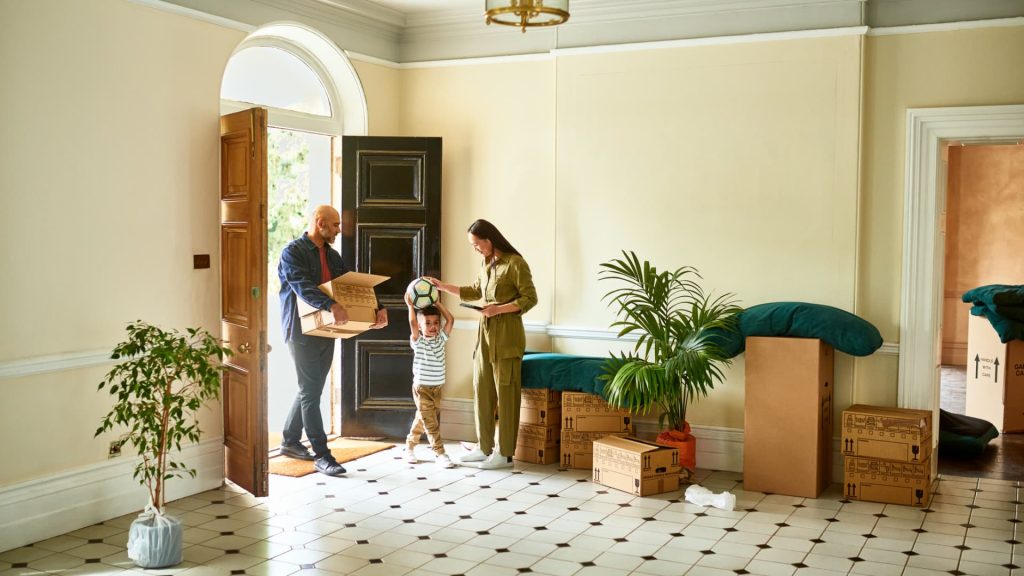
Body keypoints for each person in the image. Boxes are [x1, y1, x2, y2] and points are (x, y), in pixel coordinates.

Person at [277, 205, 388, 477]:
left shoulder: (332, 255)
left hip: (326, 331)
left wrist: (379, 307)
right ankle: (322, 455)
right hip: (300, 332)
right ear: (320, 223)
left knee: (311, 388)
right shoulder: (292, 253)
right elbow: (302, 286)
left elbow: (351, 285)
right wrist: (331, 305)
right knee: (310, 391)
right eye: (335, 224)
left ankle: (290, 440)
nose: (340, 229)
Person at [426, 219, 537, 470]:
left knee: (506, 395)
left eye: (477, 244)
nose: (475, 249)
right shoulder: (487, 263)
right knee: (482, 390)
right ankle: (484, 447)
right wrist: (442, 286)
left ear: (489, 239)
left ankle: (505, 454)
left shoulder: (515, 263)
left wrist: (499, 309)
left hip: (507, 336)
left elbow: (530, 298)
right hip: (485, 335)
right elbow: (476, 291)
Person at [403, 295, 455, 469]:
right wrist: (410, 307)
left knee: (423, 418)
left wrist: (438, 303)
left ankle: (409, 447)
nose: (433, 326)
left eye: (436, 323)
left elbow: (451, 320)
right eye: (427, 323)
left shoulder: (441, 339)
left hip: (437, 388)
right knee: (431, 423)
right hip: (422, 388)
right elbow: (412, 323)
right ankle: (440, 453)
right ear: (420, 326)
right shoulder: (418, 341)